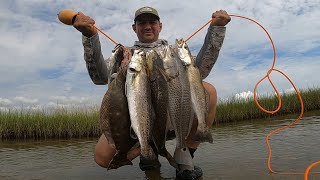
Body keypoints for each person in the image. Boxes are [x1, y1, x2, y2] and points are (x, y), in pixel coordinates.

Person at [73, 6, 230, 179]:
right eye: (142, 22)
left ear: (160, 26)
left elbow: (201, 70)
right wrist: (89, 37)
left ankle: (184, 159)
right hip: (137, 123)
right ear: (135, 28)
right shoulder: (125, 55)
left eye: (152, 22)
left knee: (208, 90)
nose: (147, 26)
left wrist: (217, 28)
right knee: (102, 157)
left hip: (174, 120)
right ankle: (148, 151)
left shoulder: (174, 53)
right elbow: (99, 77)